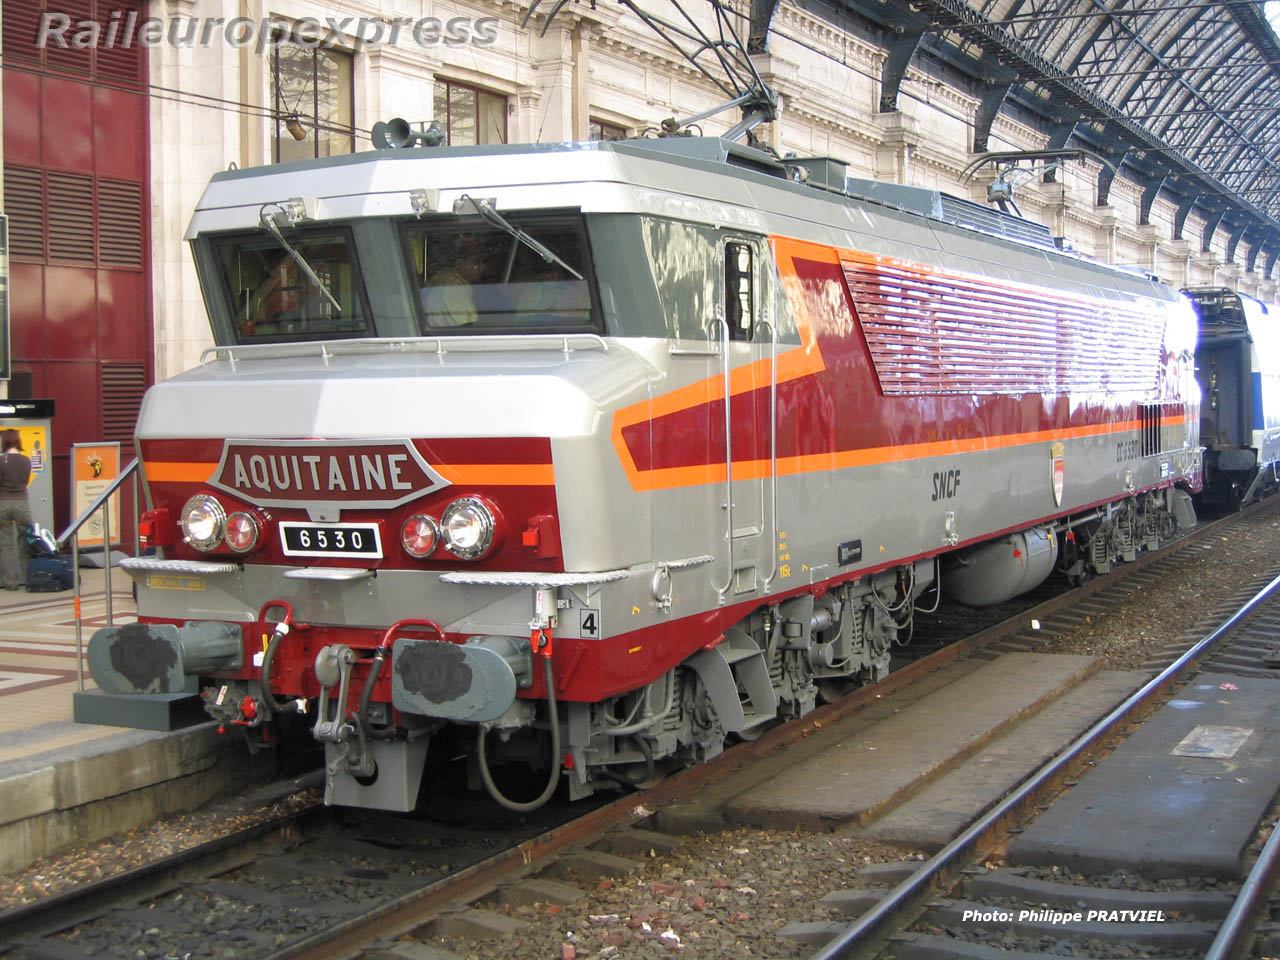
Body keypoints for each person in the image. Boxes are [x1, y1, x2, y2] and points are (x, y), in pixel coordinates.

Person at [0, 429, 32, 590]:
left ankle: (10, 582)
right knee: (25, 540)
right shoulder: (26, 460)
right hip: (22, 503)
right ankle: (27, 578)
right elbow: (25, 481)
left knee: (6, 544)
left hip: (3, 504)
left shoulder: (1, 461)